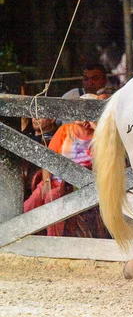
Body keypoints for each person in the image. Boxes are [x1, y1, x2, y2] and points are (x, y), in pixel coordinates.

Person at [24, 94, 108, 237]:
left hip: (80, 185)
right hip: (55, 180)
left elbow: (106, 160)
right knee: (31, 203)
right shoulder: (65, 130)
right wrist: (46, 181)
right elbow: (48, 159)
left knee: (53, 198)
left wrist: (95, 125)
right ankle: (21, 236)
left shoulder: (101, 134)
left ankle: (54, 241)